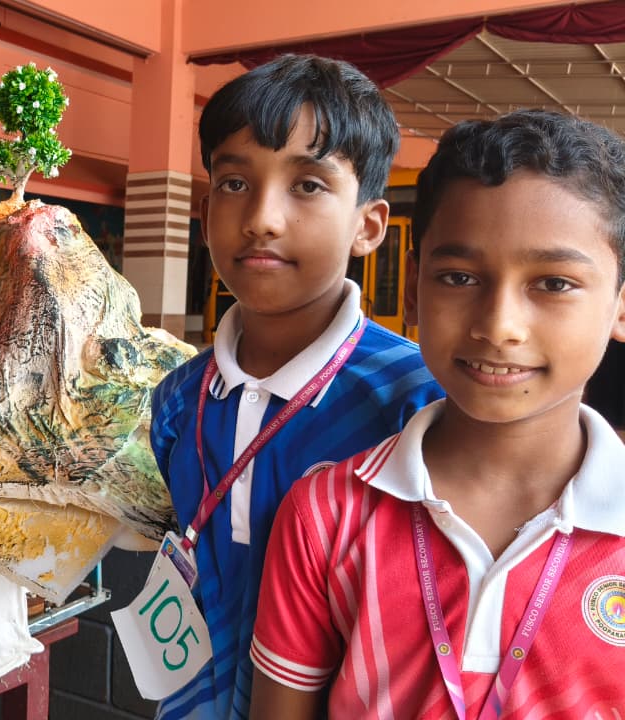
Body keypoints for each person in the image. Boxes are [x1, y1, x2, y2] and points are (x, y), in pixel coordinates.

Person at [250, 109, 625, 718]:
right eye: (459, 277)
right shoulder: (326, 513)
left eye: (554, 283)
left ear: (619, 304)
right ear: (413, 291)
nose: (499, 325)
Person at [149, 54, 444, 720]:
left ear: (368, 225)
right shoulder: (177, 399)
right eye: (234, 182)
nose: (262, 218)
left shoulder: (417, 405)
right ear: (205, 213)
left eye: (308, 184)